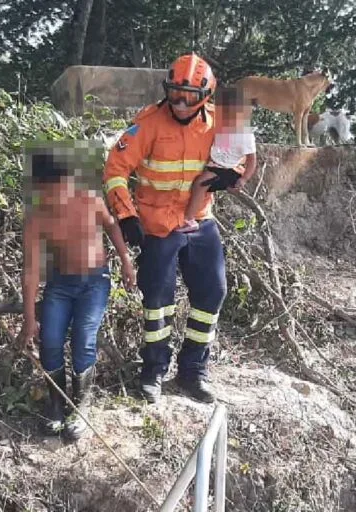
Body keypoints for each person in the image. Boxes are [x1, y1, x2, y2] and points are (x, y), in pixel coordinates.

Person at [103, 53, 236, 404]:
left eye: (189, 96)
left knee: (212, 293)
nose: (180, 102)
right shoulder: (148, 122)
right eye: (175, 93)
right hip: (157, 223)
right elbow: (115, 169)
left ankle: (192, 371)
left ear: (205, 95)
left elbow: (239, 157)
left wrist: (230, 174)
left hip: (199, 219)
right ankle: (153, 370)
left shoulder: (218, 123)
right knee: (158, 301)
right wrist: (126, 215)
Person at [19, 149, 136, 439]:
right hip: (60, 284)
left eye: (59, 187)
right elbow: (32, 271)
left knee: (84, 338)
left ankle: (81, 405)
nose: (54, 196)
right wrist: (29, 319)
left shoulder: (89, 200)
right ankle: (57, 405)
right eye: (45, 190)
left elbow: (111, 226)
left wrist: (125, 260)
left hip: (94, 282)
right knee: (50, 341)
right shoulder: (37, 219)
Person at [177, 86, 258, 233]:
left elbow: (252, 160)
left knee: (200, 184)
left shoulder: (246, 135)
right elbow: (221, 148)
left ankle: (189, 220)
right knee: (203, 184)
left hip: (224, 169)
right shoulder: (224, 126)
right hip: (216, 166)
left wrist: (244, 179)